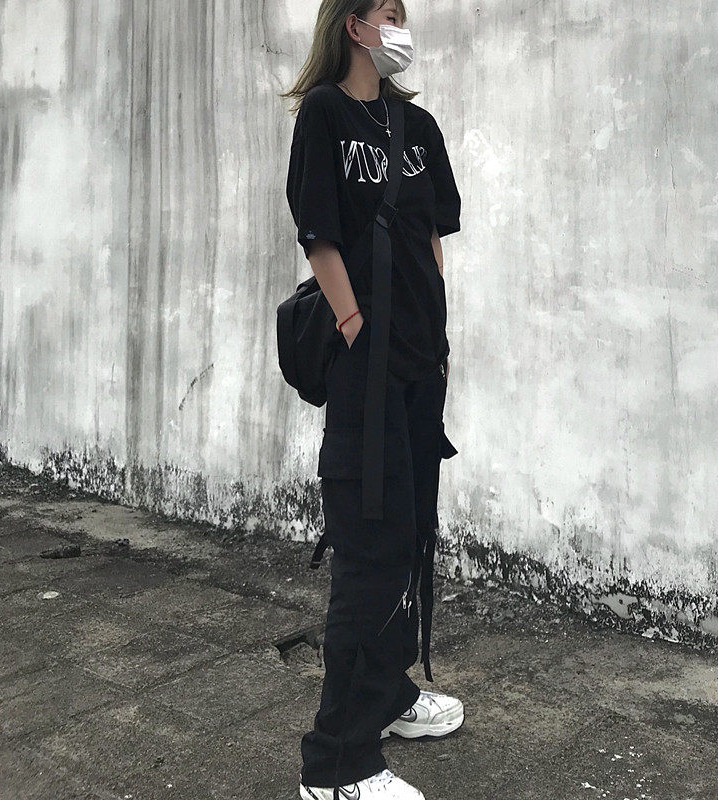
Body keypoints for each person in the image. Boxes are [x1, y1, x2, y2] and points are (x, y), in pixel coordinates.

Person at [281, 2, 463, 798]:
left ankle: (387, 695)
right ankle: (337, 766)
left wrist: (434, 340)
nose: (400, 27)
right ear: (354, 26)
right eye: (388, 13)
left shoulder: (415, 127)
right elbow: (318, 235)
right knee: (368, 554)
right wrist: (356, 328)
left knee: (409, 536)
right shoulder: (324, 114)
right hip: (367, 370)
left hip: (420, 368)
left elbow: (430, 237)